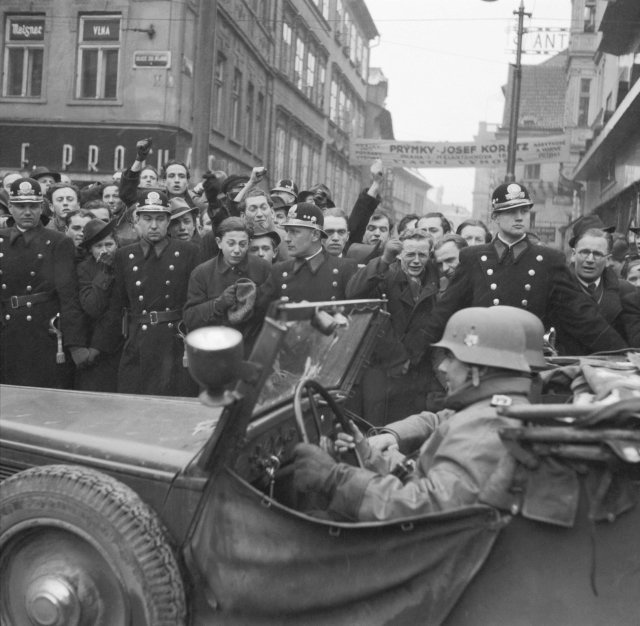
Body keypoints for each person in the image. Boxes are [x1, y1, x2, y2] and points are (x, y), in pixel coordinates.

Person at [291, 306, 537, 521]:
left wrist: (336, 478)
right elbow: (419, 478)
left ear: (479, 369)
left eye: (451, 357)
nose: (441, 367)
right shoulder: (484, 411)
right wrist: (365, 452)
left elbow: (428, 511)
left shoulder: (485, 427)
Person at [417, 182, 628, 356]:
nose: (519, 217)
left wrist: (621, 353)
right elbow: (443, 312)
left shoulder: (548, 260)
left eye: (524, 211)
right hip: (481, 358)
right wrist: (408, 356)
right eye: (510, 212)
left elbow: (581, 316)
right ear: (495, 217)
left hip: (527, 361)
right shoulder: (473, 258)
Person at [106, 189, 199, 396]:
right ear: (136, 220)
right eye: (147, 219)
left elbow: (195, 302)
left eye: (160, 219)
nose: (154, 225)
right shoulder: (125, 255)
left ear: (168, 222)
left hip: (175, 341)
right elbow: (116, 305)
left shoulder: (188, 252)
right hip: (138, 341)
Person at [346, 228, 441, 424]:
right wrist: (383, 260)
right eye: (410, 254)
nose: (416, 260)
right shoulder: (385, 274)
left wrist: (411, 356)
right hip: (383, 368)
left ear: (430, 255)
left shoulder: (436, 280)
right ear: (399, 255)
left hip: (418, 371)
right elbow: (354, 293)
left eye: (422, 255)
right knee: (377, 424)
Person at [0, 177, 88, 388]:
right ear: (10, 207)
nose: (27, 212)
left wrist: (75, 344)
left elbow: (68, 296)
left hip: (44, 331)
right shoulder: (1, 240)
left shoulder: (58, 242)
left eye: (33, 206)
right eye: (21, 206)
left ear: (42, 207)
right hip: (7, 330)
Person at [184, 217, 272, 353]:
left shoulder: (263, 268)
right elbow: (190, 318)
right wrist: (218, 304)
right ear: (219, 243)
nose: (237, 250)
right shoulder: (202, 273)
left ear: (249, 243)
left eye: (242, 244)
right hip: (216, 350)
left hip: (253, 349)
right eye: (231, 243)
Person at [565, 227, 640, 352]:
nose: (589, 260)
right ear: (573, 255)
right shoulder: (556, 290)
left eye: (597, 254)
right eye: (584, 252)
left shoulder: (625, 291)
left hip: (612, 367)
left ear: (608, 260)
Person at [264, 202, 357, 302]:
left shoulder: (345, 269)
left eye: (294, 232)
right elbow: (259, 313)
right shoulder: (278, 271)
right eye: (287, 231)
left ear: (315, 235)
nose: (286, 238)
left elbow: (356, 312)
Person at [75, 218, 122, 391]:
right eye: (98, 246)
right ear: (90, 250)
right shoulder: (84, 269)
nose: (104, 250)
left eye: (109, 244)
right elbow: (93, 307)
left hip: (122, 340)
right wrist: (104, 272)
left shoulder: (125, 262)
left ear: (117, 243)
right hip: (96, 344)